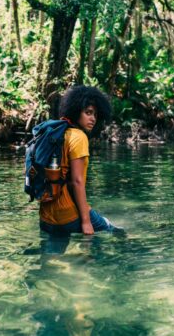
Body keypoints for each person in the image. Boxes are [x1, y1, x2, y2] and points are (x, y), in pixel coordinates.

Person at [39, 86, 116, 236]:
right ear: (75, 112)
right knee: (115, 233)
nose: (93, 118)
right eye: (88, 113)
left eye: (95, 114)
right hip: (68, 216)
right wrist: (86, 222)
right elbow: (77, 182)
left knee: (50, 254)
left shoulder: (57, 134)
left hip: (46, 218)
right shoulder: (79, 137)